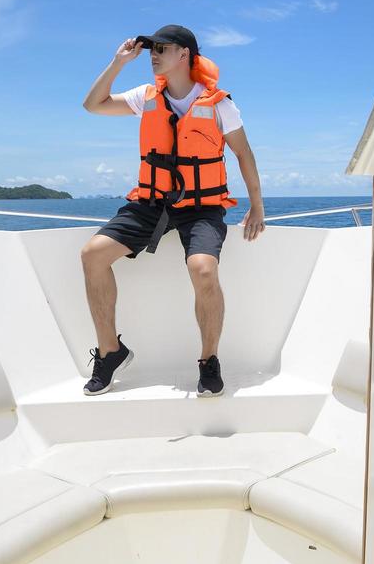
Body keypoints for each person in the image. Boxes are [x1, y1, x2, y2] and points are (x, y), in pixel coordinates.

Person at [79, 24, 266, 397]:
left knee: (203, 269)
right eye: (151, 49)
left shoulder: (220, 104)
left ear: (185, 54)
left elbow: (243, 153)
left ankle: (209, 360)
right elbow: (93, 105)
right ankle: (110, 351)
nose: (153, 54)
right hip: (152, 201)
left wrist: (257, 206)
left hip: (201, 206)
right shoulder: (146, 96)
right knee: (93, 255)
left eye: (161, 48)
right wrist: (118, 63)